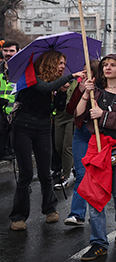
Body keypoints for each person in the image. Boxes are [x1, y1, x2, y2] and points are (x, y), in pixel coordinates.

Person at [8, 50, 85, 231]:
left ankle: (50, 209)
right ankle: (18, 216)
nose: (62, 68)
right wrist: (69, 77)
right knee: (26, 173)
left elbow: (60, 109)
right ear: (50, 62)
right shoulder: (30, 74)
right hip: (23, 127)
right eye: (59, 63)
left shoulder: (55, 84)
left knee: (45, 172)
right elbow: (42, 88)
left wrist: (61, 93)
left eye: (64, 64)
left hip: (43, 128)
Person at [75, 54, 116, 260]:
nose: (107, 68)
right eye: (105, 65)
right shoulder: (95, 92)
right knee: (95, 197)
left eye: (113, 65)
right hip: (98, 148)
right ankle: (98, 243)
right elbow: (78, 115)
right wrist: (86, 95)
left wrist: (103, 115)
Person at [62, 60, 99, 228]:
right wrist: (81, 91)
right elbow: (71, 110)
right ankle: (77, 214)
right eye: (82, 72)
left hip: (98, 134)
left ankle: (97, 211)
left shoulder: (103, 88)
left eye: (87, 72)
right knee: (82, 174)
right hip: (81, 133)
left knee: (97, 175)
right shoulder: (80, 87)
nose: (83, 75)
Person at [0, 40, 18, 160]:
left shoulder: (21, 71)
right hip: (1, 111)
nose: (8, 53)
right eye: (5, 50)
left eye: (12, 51)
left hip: (16, 111)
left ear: (18, 51)